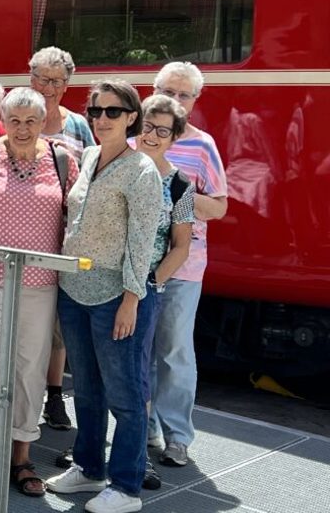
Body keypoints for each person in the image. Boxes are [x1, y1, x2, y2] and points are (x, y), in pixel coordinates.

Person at [0, 87, 79, 497]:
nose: (23, 129)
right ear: (7, 119)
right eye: (16, 120)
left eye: (32, 121)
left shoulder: (62, 159)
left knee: (30, 369)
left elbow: (75, 217)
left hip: (41, 284)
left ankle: (20, 456)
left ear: (44, 121)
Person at [46, 79, 163, 513]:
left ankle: (126, 486)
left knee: (126, 395)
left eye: (112, 112)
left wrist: (132, 299)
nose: (101, 119)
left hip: (118, 296)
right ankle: (89, 467)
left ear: (132, 117)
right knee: (88, 391)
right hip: (75, 291)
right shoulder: (90, 156)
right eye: (95, 111)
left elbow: (144, 240)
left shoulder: (142, 170)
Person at [148, 62, 228, 467]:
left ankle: (177, 436)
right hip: (138, 264)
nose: (175, 100)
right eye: (168, 91)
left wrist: (175, 190)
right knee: (136, 350)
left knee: (175, 351)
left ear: (195, 101)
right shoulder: (136, 139)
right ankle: (142, 431)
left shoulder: (203, 145)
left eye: (184, 95)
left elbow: (218, 206)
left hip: (184, 266)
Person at [28, 46, 96, 431]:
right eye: (41, 78)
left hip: (63, 236)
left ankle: (54, 395)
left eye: (56, 80)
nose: (48, 87)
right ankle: (26, 396)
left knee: (57, 324)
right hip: (26, 235)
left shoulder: (78, 128)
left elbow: (89, 176)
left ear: (67, 84)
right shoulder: (18, 115)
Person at [134, 93, 195, 489]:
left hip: (147, 290)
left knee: (140, 369)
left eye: (162, 130)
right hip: (107, 288)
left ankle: (139, 452)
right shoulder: (119, 167)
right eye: (146, 127)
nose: (152, 136)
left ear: (174, 137)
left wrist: (151, 285)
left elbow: (182, 246)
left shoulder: (180, 185)